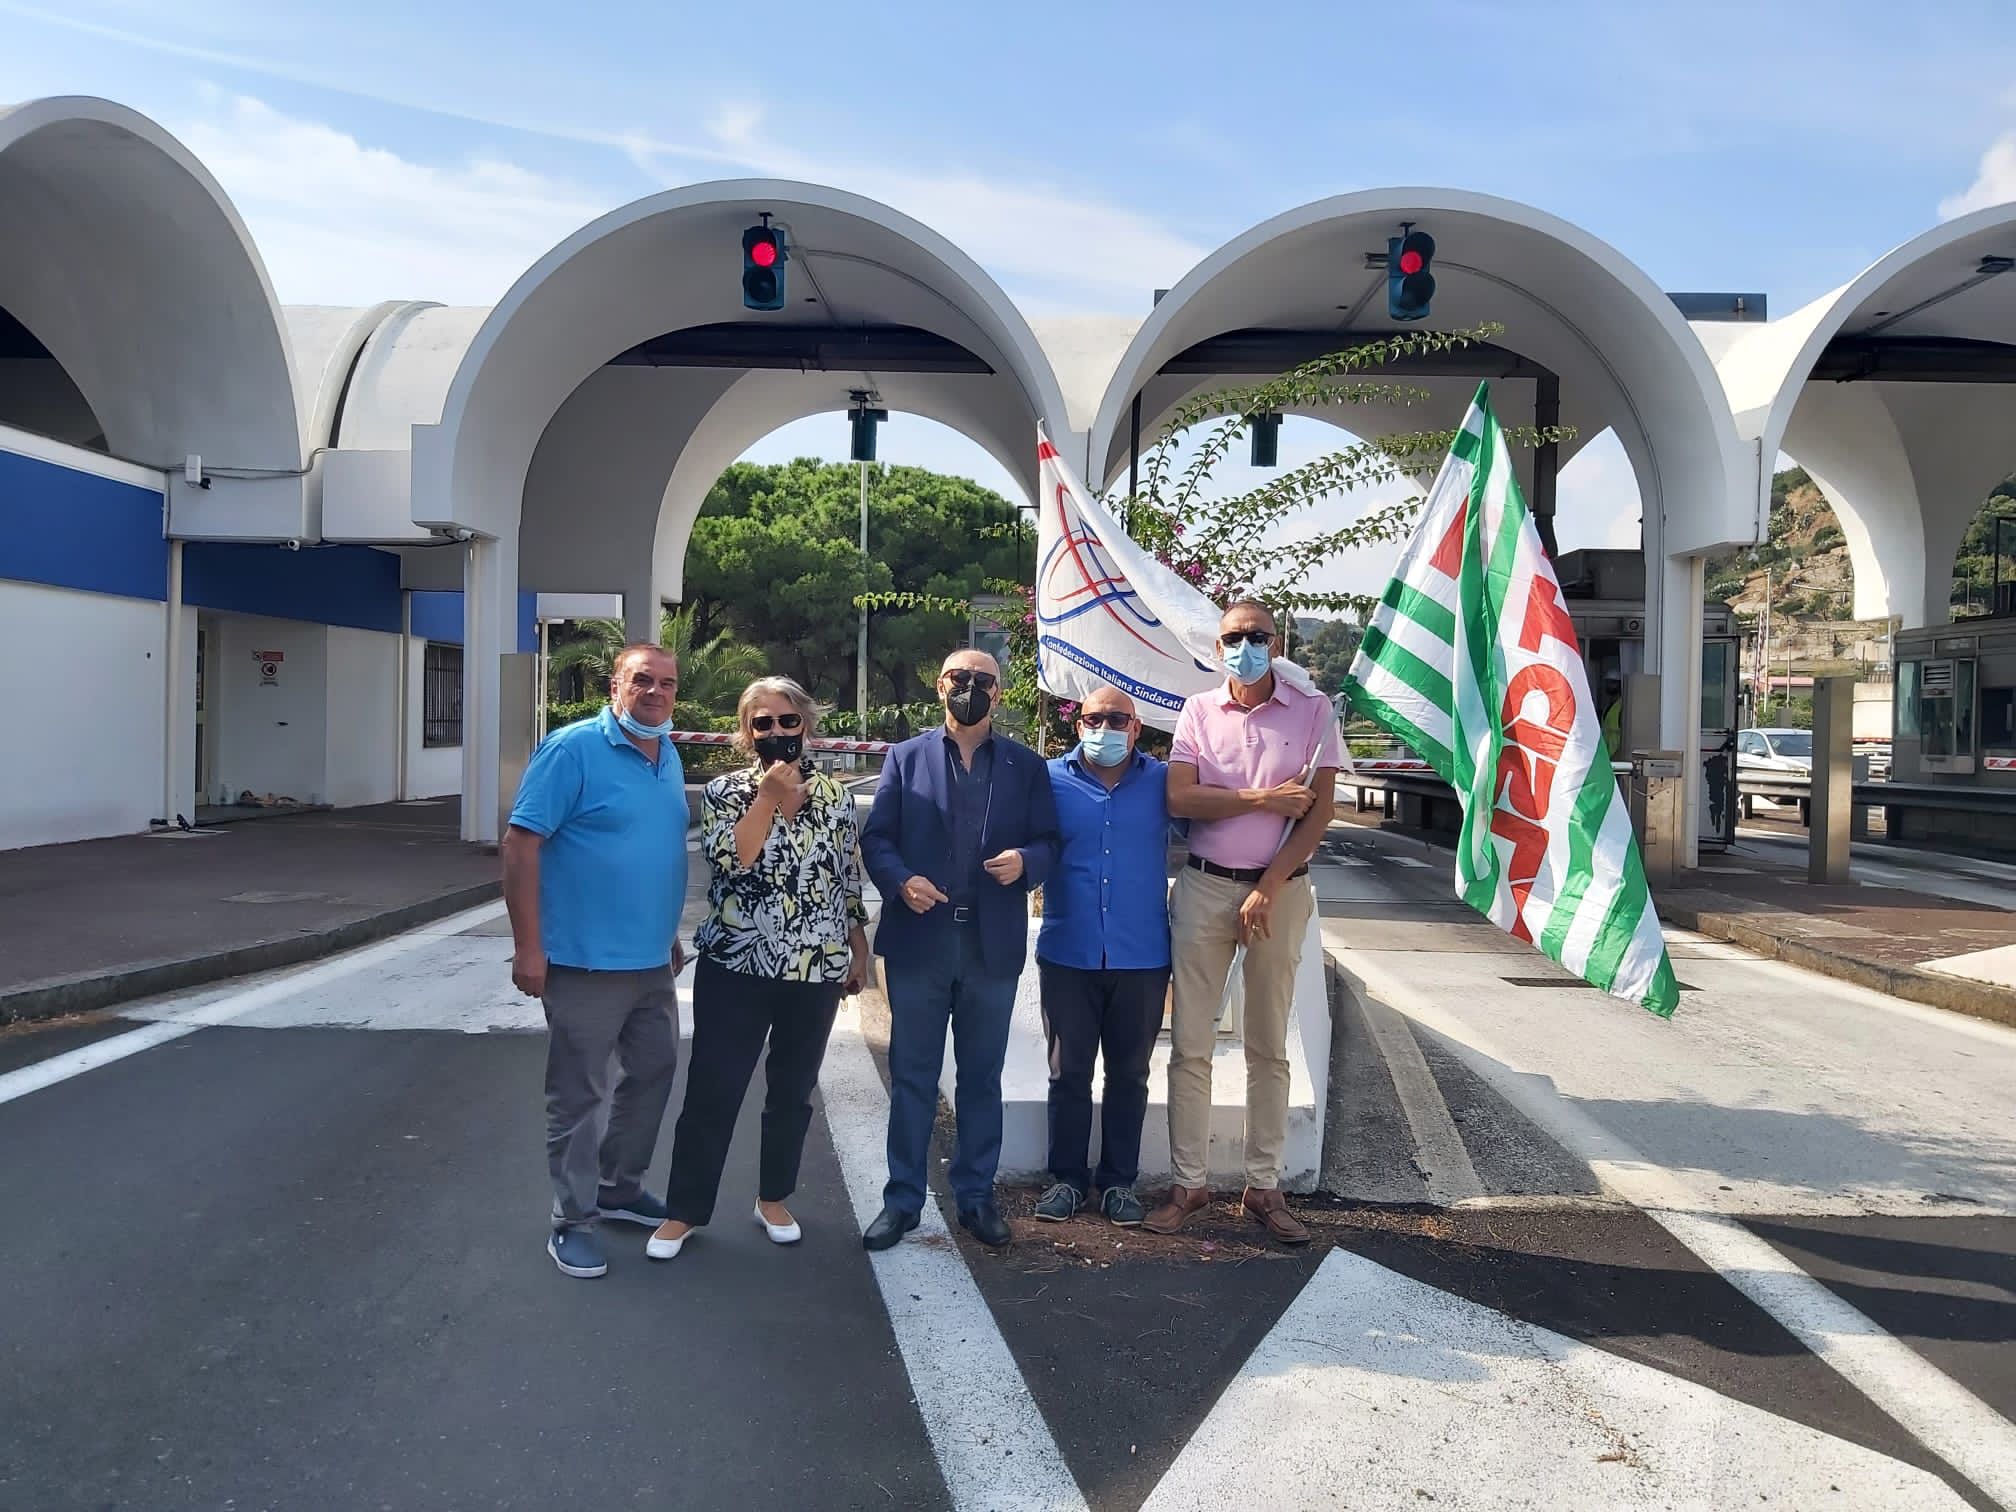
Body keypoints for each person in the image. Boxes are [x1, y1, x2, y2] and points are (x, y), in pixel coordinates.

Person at [645, 677, 870, 1261]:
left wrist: (858, 941)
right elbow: (733, 860)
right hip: (737, 964)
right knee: (713, 1090)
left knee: (792, 1090)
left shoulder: (838, 797)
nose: (776, 732)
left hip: (815, 965)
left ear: (806, 727)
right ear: (747, 732)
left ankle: (773, 1198)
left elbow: (844, 875)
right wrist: (767, 798)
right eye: (762, 723)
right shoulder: (724, 792)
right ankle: (684, 1211)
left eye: (787, 722)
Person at [1147, 601, 1341, 1245]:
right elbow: (1182, 796)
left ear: (1275, 641)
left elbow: (1317, 813)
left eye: (1256, 637)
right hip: (1204, 886)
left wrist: (1268, 885)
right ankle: (1189, 1183)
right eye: (1233, 637)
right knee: (1192, 1044)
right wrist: (1260, 797)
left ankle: (1264, 1185)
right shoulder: (1199, 711)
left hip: (1279, 894)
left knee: (1267, 1044)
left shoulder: (1312, 712)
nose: (1244, 646)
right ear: (1219, 644)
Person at [859, 649, 1059, 1251]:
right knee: (913, 1075)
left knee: (981, 1079)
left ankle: (975, 1198)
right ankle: (902, 1202)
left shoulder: (1026, 765)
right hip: (921, 941)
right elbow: (878, 838)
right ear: (940, 685)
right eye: (958, 679)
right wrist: (899, 880)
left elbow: (1050, 840)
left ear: (998, 693)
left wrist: (1027, 862)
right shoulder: (906, 756)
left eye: (982, 681)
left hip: (989, 944)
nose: (969, 688)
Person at [503, 642, 690, 1280]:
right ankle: (573, 1220)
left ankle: (619, 1187)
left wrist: (665, 933)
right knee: (580, 1095)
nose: (655, 693)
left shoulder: (666, 752)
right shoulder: (572, 749)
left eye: (666, 683)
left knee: (655, 1072)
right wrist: (529, 946)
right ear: (615, 686)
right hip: (582, 963)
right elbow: (521, 846)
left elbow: (652, 851)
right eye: (642, 680)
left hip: (649, 964)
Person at [1032, 686, 1172, 1227]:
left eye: (1117, 719)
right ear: (1077, 725)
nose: (1104, 728)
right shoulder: (1048, 779)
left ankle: (1118, 1184)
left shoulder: (1164, 782)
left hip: (1142, 956)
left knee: (1130, 1074)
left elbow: (1208, 826)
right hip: (1069, 951)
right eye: (1093, 718)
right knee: (1068, 1073)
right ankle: (1065, 1180)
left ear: (1136, 728)